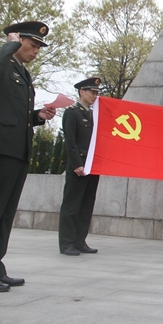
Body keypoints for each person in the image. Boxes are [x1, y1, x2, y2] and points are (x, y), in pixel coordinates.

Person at [0, 21, 56, 292]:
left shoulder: (21, 73)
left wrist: (37, 117)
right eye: (32, 44)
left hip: (17, 150)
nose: (36, 51)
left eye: (38, 47)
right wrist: (9, 42)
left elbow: (14, 114)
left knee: (3, 214)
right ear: (17, 40)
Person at [58, 78, 101, 256]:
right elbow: (71, 141)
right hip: (79, 167)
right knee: (72, 205)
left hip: (92, 167)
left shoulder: (94, 114)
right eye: (92, 92)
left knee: (86, 206)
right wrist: (77, 164)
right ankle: (67, 242)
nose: (94, 96)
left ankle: (80, 240)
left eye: (97, 93)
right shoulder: (72, 113)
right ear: (82, 92)